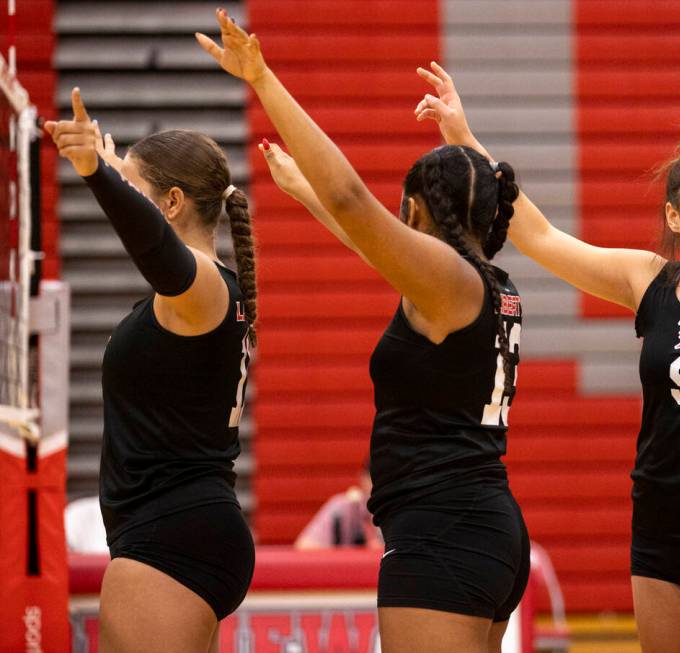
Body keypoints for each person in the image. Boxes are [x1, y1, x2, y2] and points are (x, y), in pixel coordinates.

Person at [414, 63, 680, 652]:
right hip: (659, 532)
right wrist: (463, 136)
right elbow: (539, 236)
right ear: (674, 215)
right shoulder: (649, 282)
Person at [197, 11, 529, 653]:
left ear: (413, 210)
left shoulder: (451, 278)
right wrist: (306, 198)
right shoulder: (489, 284)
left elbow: (356, 205)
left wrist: (263, 79)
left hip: (444, 535)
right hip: (478, 524)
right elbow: (368, 237)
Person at [44, 89, 256, 652]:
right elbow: (153, 232)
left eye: (136, 191)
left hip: (171, 539)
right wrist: (111, 165)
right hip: (183, 530)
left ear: (172, 203)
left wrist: (95, 172)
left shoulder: (203, 286)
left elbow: (154, 246)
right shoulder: (199, 296)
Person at [294, 460, 383, 550]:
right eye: (375, 477)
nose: (380, 485)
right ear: (362, 477)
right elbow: (304, 546)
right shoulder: (342, 508)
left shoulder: (395, 511)